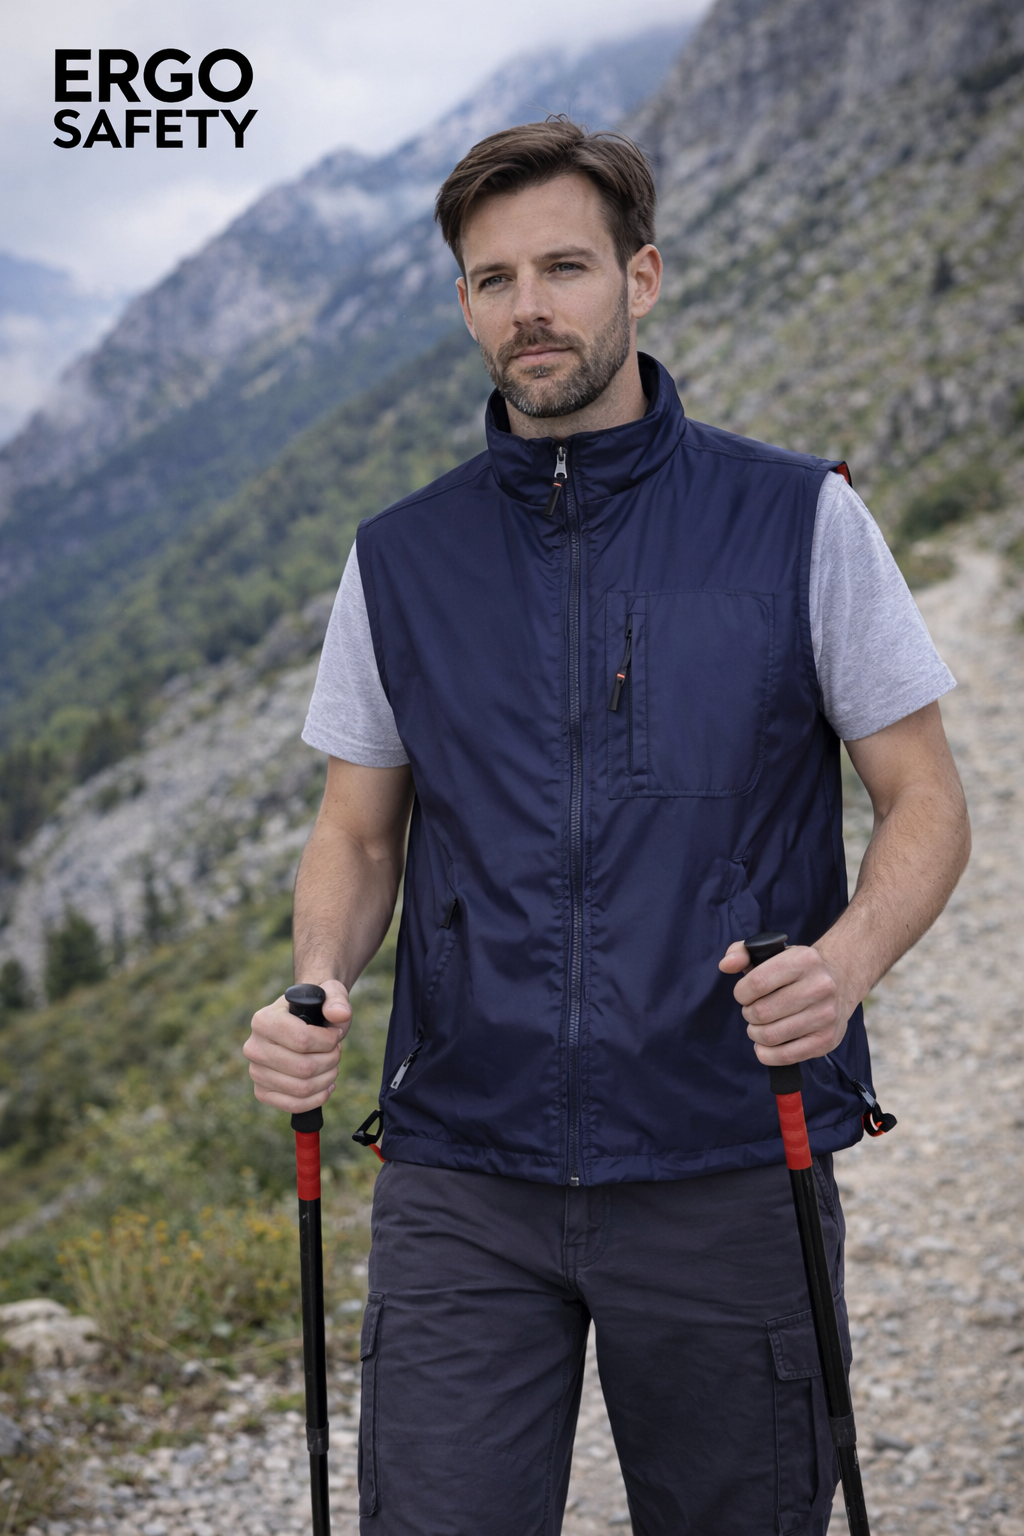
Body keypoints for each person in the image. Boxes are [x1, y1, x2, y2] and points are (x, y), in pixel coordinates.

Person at [244, 119, 969, 1535]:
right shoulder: (399, 558)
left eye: (564, 267)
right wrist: (317, 983)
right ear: (465, 305)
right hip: (464, 1168)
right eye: (494, 278)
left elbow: (926, 800)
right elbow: (360, 834)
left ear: (641, 276)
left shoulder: (799, 520)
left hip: (728, 1150)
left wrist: (846, 966)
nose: (530, 306)